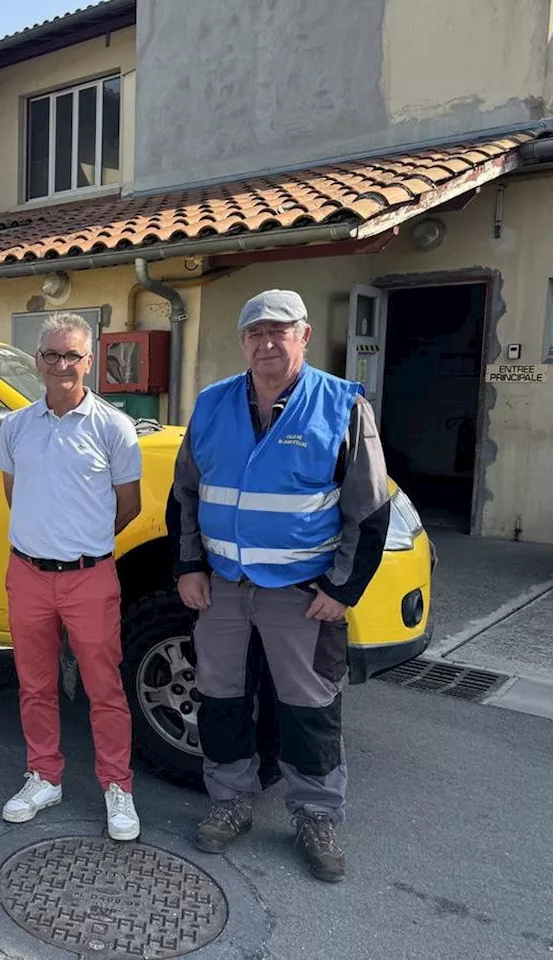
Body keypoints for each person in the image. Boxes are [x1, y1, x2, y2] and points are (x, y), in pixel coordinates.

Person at [169, 289, 391, 883]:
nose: (267, 343)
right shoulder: (213, 404)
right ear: (242, 342)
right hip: (222, 585)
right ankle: (231, 799)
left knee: (309, 704)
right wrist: (189, 566)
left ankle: (316, 814)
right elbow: (186, 493)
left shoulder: (341, 405)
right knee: (220, 696)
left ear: (304, 335)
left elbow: (368, 510)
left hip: (302, 591)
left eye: (279, 332)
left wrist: (342, 590)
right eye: (255, 333)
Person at [0, 312, 144, 841]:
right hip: (28, 573)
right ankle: (44, 775)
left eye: (72, 356)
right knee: (35, 685)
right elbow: (16, 495)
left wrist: (83, 542)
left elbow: (128, 506)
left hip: (89, 577)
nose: (62, 365)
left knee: (105, 688)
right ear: (38, 361)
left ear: (90, 361)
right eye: (52, 355)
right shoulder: (15, 426)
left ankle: (116, 786)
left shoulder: (114, 427)